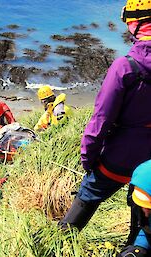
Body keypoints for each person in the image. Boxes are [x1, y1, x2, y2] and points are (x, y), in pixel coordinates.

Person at [59, 0, 151, 242]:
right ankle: (136, 244)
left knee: (89, 192)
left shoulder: (125, 66)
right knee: (143, 199)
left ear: (135, 24)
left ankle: (60, 242)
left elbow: (101, 119)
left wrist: (88, 158)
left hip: (121, 155)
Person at [118, 160, 151, 257]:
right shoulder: (142, 176)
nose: (145, 213)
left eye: (149, 209)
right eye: (143, 207)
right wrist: (139, 247)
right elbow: (147, 228)